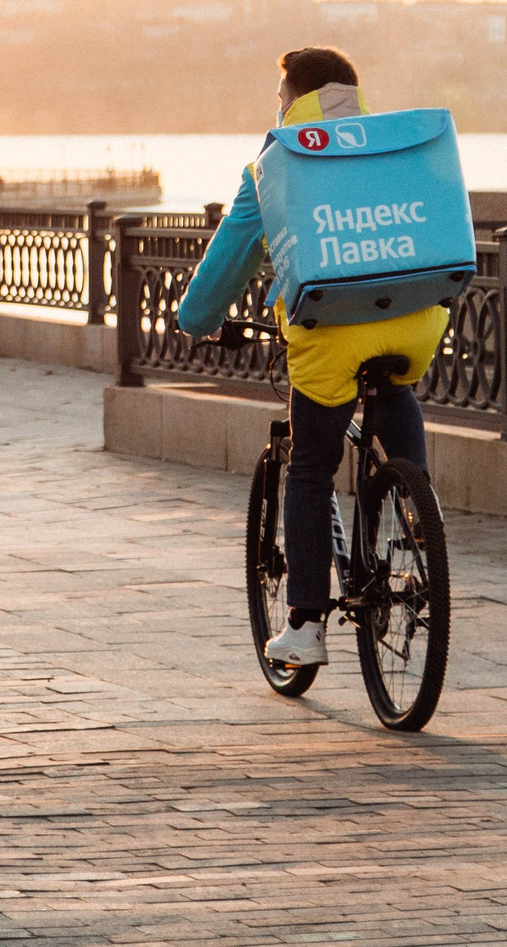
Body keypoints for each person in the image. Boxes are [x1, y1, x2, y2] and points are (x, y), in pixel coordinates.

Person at [174, 46, 451, 672]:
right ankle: (421, 528)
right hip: (416, 319)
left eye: (279, 97)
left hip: (331, 330)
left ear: (294, 96)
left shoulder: (278, 161)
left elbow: (228, 263)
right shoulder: (395, 144)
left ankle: (303, 625)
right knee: (394, 396)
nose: (276, 107)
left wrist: (195, 321)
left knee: (309, 468)